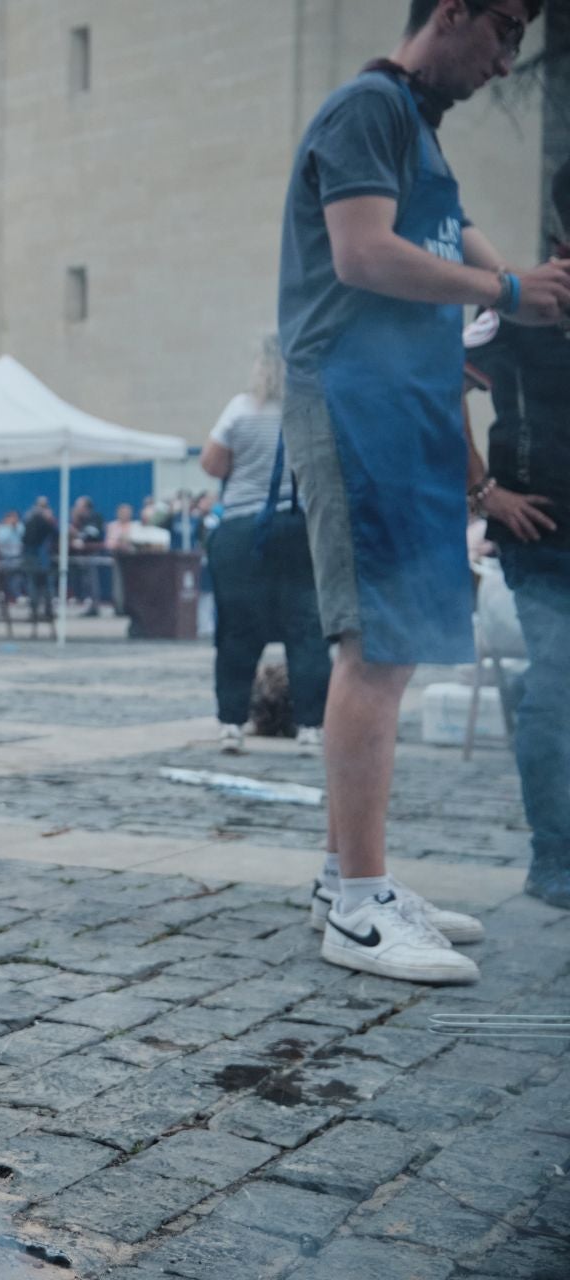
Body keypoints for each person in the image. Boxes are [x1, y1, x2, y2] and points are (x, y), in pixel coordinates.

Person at [279, 0, 570, 984]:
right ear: (451, 11)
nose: (508, 60)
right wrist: (509, 291)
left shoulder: (414, 128)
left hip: (399, 411)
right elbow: (363, 253)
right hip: (354, 403)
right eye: (504, 30)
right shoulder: (368, 107)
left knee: (388, 651)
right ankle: (360, 907)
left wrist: (523, 283)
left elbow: (471, 243)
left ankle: (347, 878)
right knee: (373, 649)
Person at [461, 159, 570, 909]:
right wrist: (483, 491)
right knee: (558, 685)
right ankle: (555, 857)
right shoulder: (526, 302)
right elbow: (440, 384)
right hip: (546, 536)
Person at [202, 337, 333, 756]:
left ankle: (231, 724)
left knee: (237, 631)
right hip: (300, 529)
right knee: (307, 630)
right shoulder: (313, 410)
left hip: (242, 531)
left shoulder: (240, 409)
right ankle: (311, 726)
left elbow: (212, 463)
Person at [22, 496, 59, 620]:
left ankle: (44, 611)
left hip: (38, 554)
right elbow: (55, 534)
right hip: (37, 554)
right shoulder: (36, 518)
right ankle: (38, 611)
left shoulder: (30, 517)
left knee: (40, 583)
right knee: (38, 583)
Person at [0, 509, 24, 599]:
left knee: (17, 577)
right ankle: (7, 596)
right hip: (5, 557)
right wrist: (10, 528)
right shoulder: (2, 529)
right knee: (5, 578)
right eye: (12, 517)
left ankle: (17, 596)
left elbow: (24, 537)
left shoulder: (20, 527)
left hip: (18, 557)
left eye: (16, 517)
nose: (14, 520)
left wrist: (14, 528)